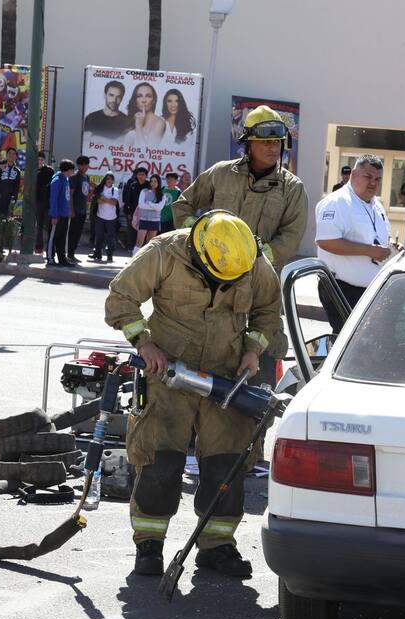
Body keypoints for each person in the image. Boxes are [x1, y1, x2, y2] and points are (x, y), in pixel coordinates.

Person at [104, 211, 282, 578]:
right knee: (160, 461)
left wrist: (252, 350)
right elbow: (121, 297)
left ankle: (216, 546)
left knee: (227, 464)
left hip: (227, 378)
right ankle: (149, 545)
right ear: (200, 254)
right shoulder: (165, 252)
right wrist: (144, 343)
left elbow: (267, 309)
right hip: (168, 372)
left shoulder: (249, 259)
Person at [172, 104, 308, 431]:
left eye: (277, 142)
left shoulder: (292, 188)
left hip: (259, 288)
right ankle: (194, 438)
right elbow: (184, 207)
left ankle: (249, 446)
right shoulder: (220, 174)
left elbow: (290, 236)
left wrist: (255, 262)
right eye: (265, 142)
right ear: (248, 142)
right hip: (210, 286)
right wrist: (203, 240)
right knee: (202, 358)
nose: (272, 148)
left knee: (260, 357)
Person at [314, 154, 400, 331]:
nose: (373, 183)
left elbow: (379, 234)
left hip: (369, 289)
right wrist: (369, 250)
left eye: (377, 179)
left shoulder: (375, 204)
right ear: (353, 174)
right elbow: (326, 241)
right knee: (349, 345)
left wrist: (391, 245)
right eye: (367, 177)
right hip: (342, 289)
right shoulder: (336, 202)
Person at [46, 159, 74, 266]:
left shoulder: (66, 180)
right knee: (53, 237)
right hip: (56, 215)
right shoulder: (56, 181)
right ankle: (50, 258)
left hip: (64, 215)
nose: (73, 172)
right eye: (72, 170)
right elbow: (53, 199)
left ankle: (62, 259)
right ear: (68, 170)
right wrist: (54, 215)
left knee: (62, 238)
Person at [123, 82, 166, 149]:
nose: (143, 100)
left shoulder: (159, 123)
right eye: (139, 96)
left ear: (154, 100)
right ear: (135, 100)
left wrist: (139, 126)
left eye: (148, 96)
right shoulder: (133, 118)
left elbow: (147, 153)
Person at [67, 155, 93, 263]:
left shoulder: (86, 177)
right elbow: (70, 194)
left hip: (82, 211)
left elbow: (86, 195)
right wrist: (71, 210)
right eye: (82, 165)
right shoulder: (74, 177)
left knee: (78, 233)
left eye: (86, 164)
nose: (85, 167)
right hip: (75, 211)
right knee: (72, 233)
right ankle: (68, 254)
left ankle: (72, 254)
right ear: (78, 165)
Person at [91, 172, 121, 262]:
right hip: (100, 216)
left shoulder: (115, 190)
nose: (109, 180)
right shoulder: (100, 188)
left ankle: (109, 255)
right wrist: (107, 199)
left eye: (111, 179)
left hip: (111, 218)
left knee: (110, 237)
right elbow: (98, 201)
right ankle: (97, 254)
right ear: (105, 180)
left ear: (113, 181)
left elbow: (114, 203)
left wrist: (103, 198)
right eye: (107, 179)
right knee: (99, 236)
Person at [132, 174, 165, 253]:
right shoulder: (144, 191)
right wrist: (154, 206)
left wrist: (149, 203)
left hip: (155, 221)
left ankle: (146, 262)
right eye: (151, 181)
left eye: (155, 181)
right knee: (139, 242)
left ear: (159, 183)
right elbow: (141, 205)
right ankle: (134, 260)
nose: (153, 183)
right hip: (144, 219)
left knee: (149, 243)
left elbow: (159, 208)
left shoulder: (162, 195)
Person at [120, 166, 148, 251]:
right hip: (132, 212)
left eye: (142, 175)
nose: (140, 176)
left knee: (143, 231)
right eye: (139, 174)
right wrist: (128, 213)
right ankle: (131, 248)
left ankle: (142, 249)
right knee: (131, 230)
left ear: (146, 176)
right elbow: (128, 200)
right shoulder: (132, 185)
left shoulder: (149, 186)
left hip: (145, 213)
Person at [32, 151, 54, 254]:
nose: (39, 162)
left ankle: (50, 248)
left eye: (41, 160)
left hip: (48, 202)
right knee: (39, 225)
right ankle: (39, 247)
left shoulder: (49, 170)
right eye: (38, 160)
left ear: (44, 160)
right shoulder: (32, 170)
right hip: (37, 201)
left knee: (49, 225)